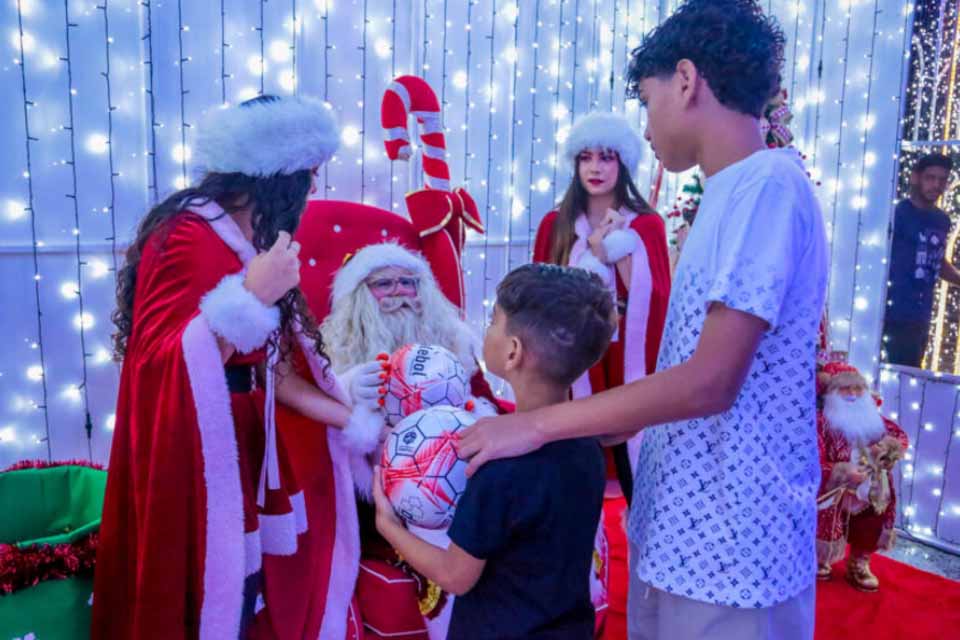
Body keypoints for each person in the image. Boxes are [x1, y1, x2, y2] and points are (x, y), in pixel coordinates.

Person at [458, 2, 828, 639]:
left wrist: (538, 426)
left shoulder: (766, 185)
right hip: (684, 532)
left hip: (731, 546)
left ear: (686, 81)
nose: (648, 128)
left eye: (649, 100)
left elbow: (710, 380)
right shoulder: (727, 191)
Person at [93, 95, 380, 639]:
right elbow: (159, 363)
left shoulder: (251, 238)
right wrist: (251, 297)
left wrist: (355, 422)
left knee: (248, 592)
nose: (312, 191)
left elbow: (271, 370)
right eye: (308, 176)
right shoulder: (183, 234)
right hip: (196, 452)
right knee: (203, 590)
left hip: (249, 439)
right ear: (279, 175)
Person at [372, 263, 614, 639]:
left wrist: (388, 526)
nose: (486, 329)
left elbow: (456, 576)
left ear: (514, 351)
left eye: (494, 321)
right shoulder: (586, 444)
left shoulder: (495, 466)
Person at [533, 110, 670, 640]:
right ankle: (574, 603)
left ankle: (652, 613)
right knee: (574, 493)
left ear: (623, 164)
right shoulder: (556, 224)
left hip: (631, 376)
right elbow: (538, 296)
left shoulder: (648, 224)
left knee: (644, 494)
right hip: (574, 375)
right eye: (586, 157)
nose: (595, 167)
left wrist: (609, 251)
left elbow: (654, 297)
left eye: (606, 156)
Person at [319, 241, 499, 640]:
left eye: (409, 282)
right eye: (384, 284)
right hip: (373, 496)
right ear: (359, 296)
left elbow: (484, 399)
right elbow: (311, 432)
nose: (400, 292)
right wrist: (345, 394)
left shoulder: (454, 342)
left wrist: (469, 419)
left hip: (459, 480)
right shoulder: (329, 350)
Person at [815, 361, 907, 591]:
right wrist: (840, 472)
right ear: (831, 393)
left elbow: (899, 437)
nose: (853, 394)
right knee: (825, 519)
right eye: (845, 389)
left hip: (870, 484)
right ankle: (819, 557)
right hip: (836, 487)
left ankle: (859, 562)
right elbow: (816, 457)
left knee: (870, 521)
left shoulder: (874, 418)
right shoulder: (822, 422)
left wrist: (886, 448)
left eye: (858, 389)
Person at [883, 153, 959, 368]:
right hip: (890, 311)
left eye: (942, 179)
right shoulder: (897, 213)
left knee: (908, 378)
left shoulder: (942, 220)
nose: (936, 184)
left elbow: (937, 261)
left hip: (920, 316)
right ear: (916, 178)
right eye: (930, 177)